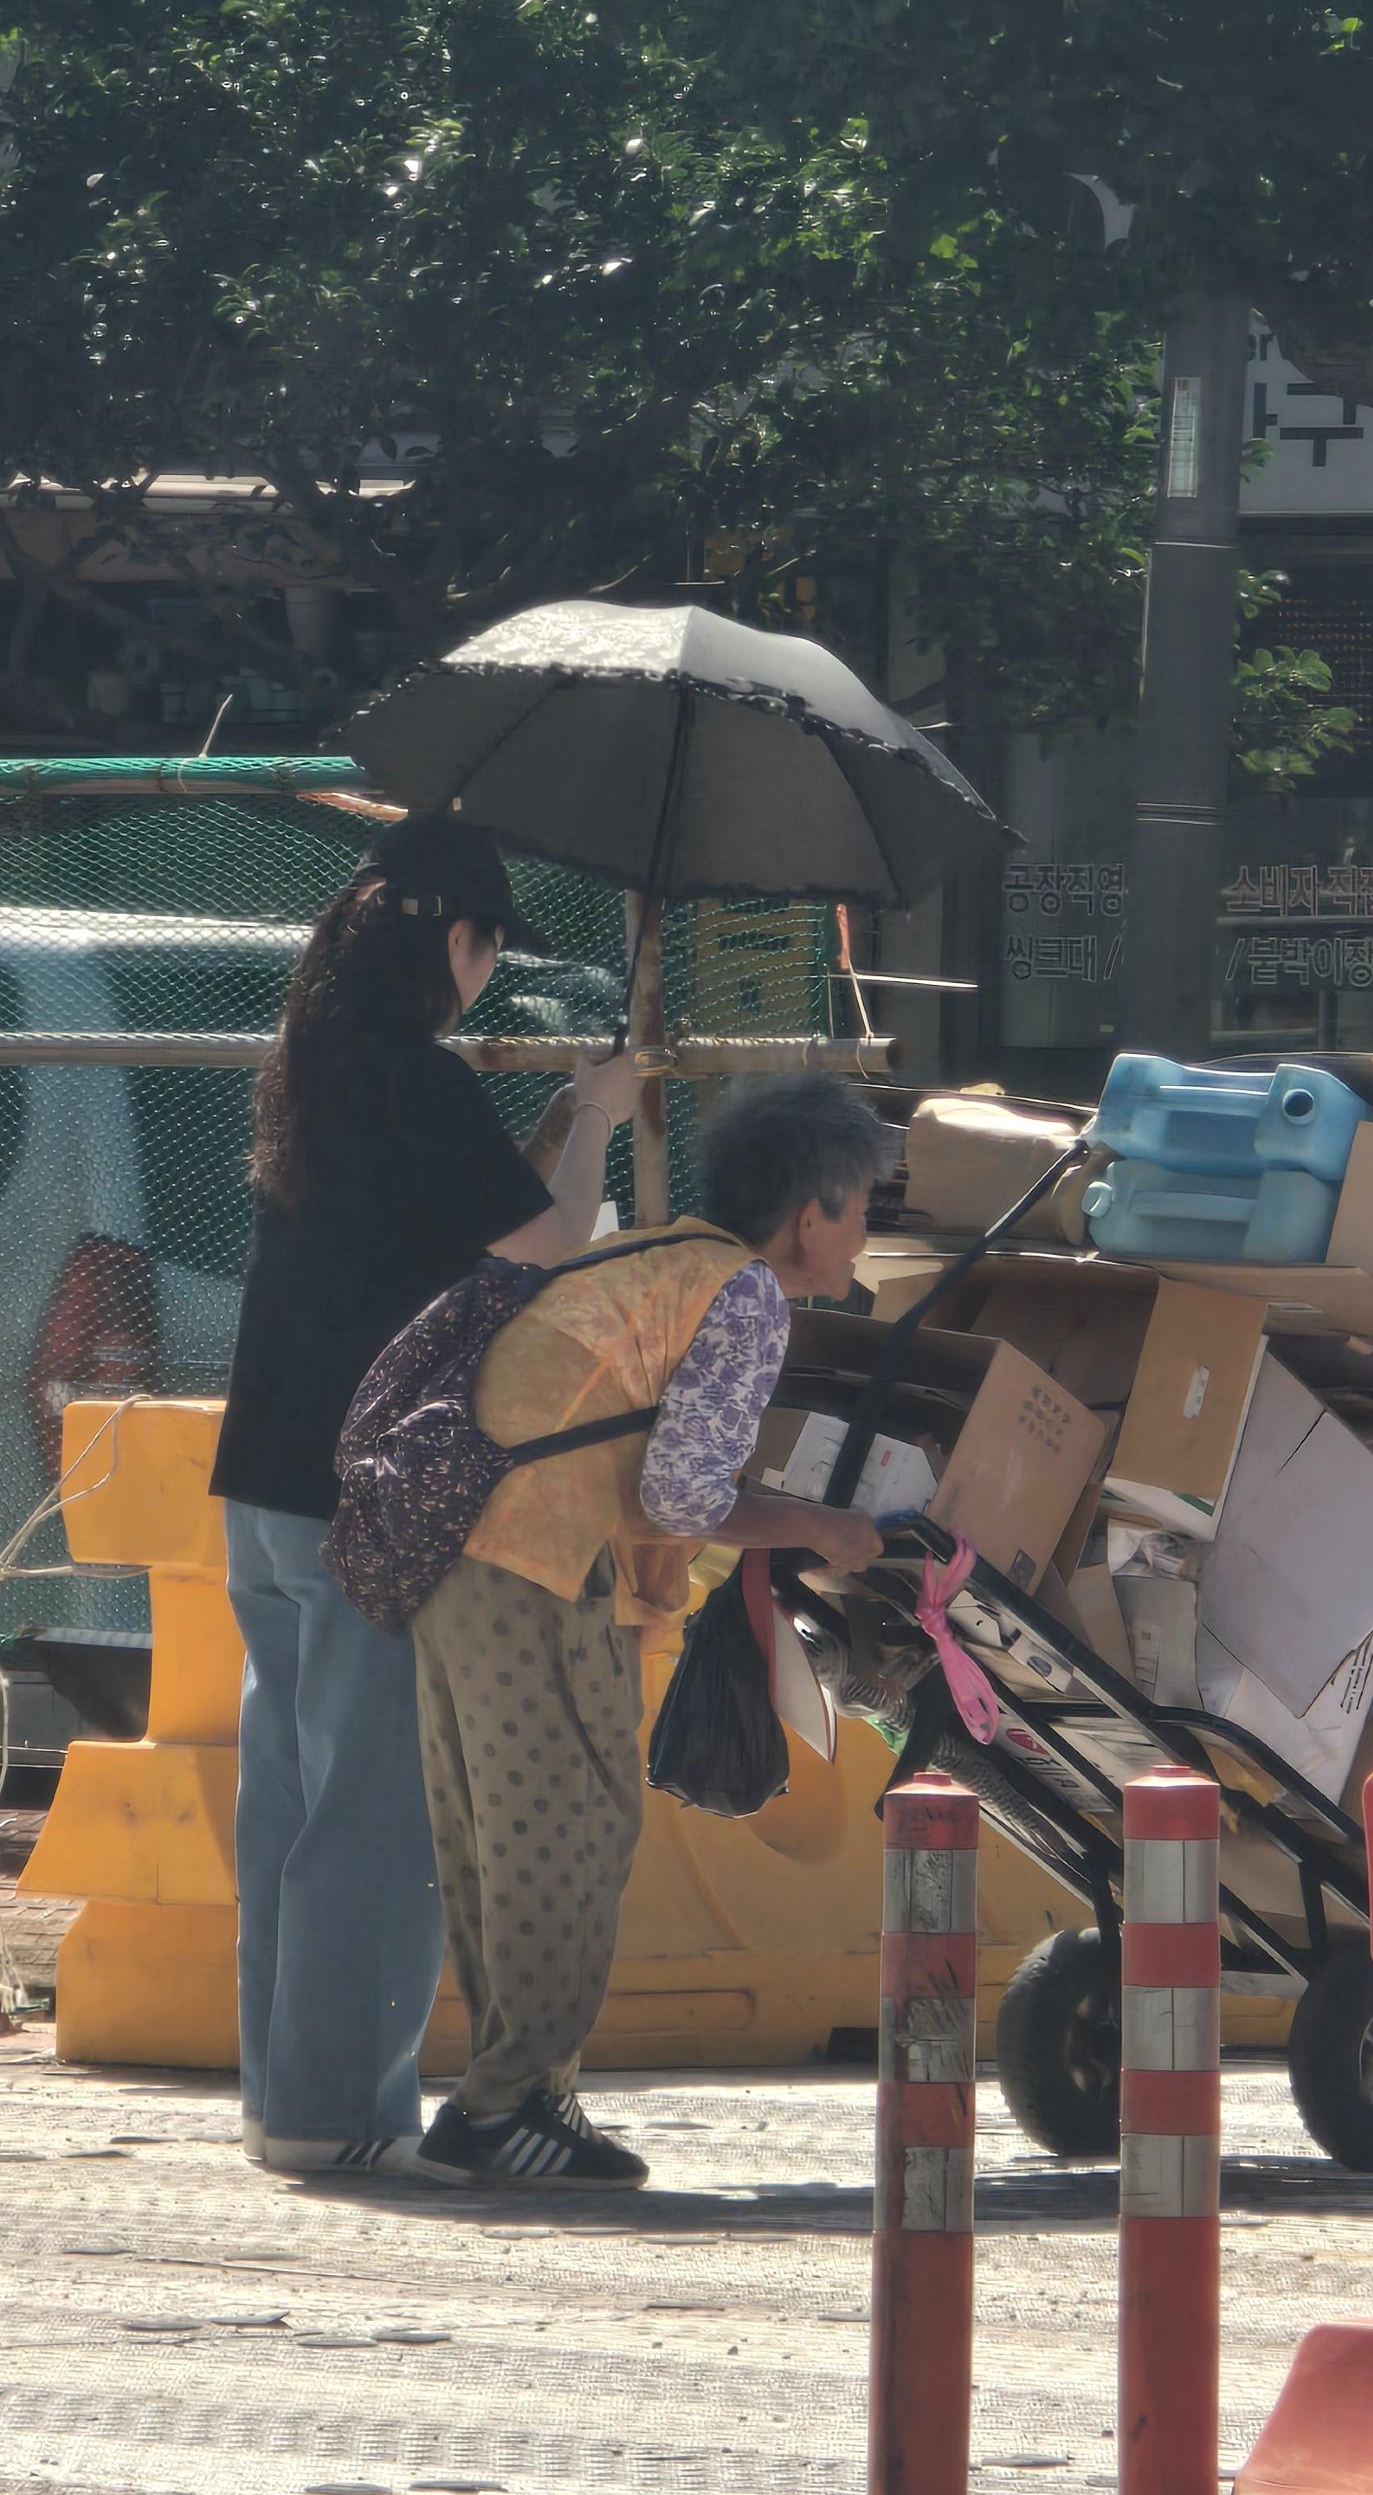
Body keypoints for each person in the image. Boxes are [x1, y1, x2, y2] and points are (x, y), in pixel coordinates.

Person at [212, 811, 639, 2177]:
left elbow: (449, 1204)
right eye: (491, 950)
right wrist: (609, 1123)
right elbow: (549, 1239)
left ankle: (288, 2100)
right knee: (378, 1812)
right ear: (458, 939)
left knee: (289, 1794)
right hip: (372, 1491)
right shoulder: (420, 1076)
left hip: (263, 1477)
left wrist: (562, 1114)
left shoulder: (315, 1067)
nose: (488, 974)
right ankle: (341, 2111)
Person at [410, 1075, 892, 2192]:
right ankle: (503, 2106)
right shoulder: (745, 1294)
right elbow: (682, 1495)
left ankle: (518, 2095)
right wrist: (818, 1523)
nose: (867, 1229)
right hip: (537, 1559)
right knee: (571, 1829)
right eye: (861, 1204)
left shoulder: (655, 1254)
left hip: (454, 1553)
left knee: (499, 1829)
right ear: (808, 1217)